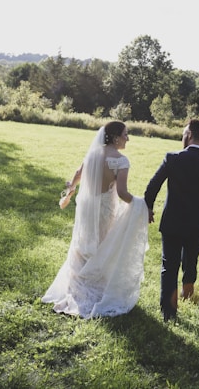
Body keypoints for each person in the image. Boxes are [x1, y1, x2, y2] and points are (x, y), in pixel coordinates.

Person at [42, 121, 149, 318]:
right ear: (116, 137)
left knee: (84, 242)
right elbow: (123, 193)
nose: (128, 138)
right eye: (126, 134)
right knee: (101, 244)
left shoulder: (93, 153)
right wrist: (141, 205)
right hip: (105, 209)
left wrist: (70, 192)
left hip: (87, 207)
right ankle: (94, 285)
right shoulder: (121, 161)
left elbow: (77, 175)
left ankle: (76, 284)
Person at [144, 119, 199, 322]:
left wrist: (148, 208)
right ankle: (187, 291)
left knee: (169, 266)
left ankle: (169, 312)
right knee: (191, 259)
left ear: (189, 134)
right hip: (197, 226)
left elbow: (153, 185)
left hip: (172, 223)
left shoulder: (172, 158)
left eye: (183, 134)